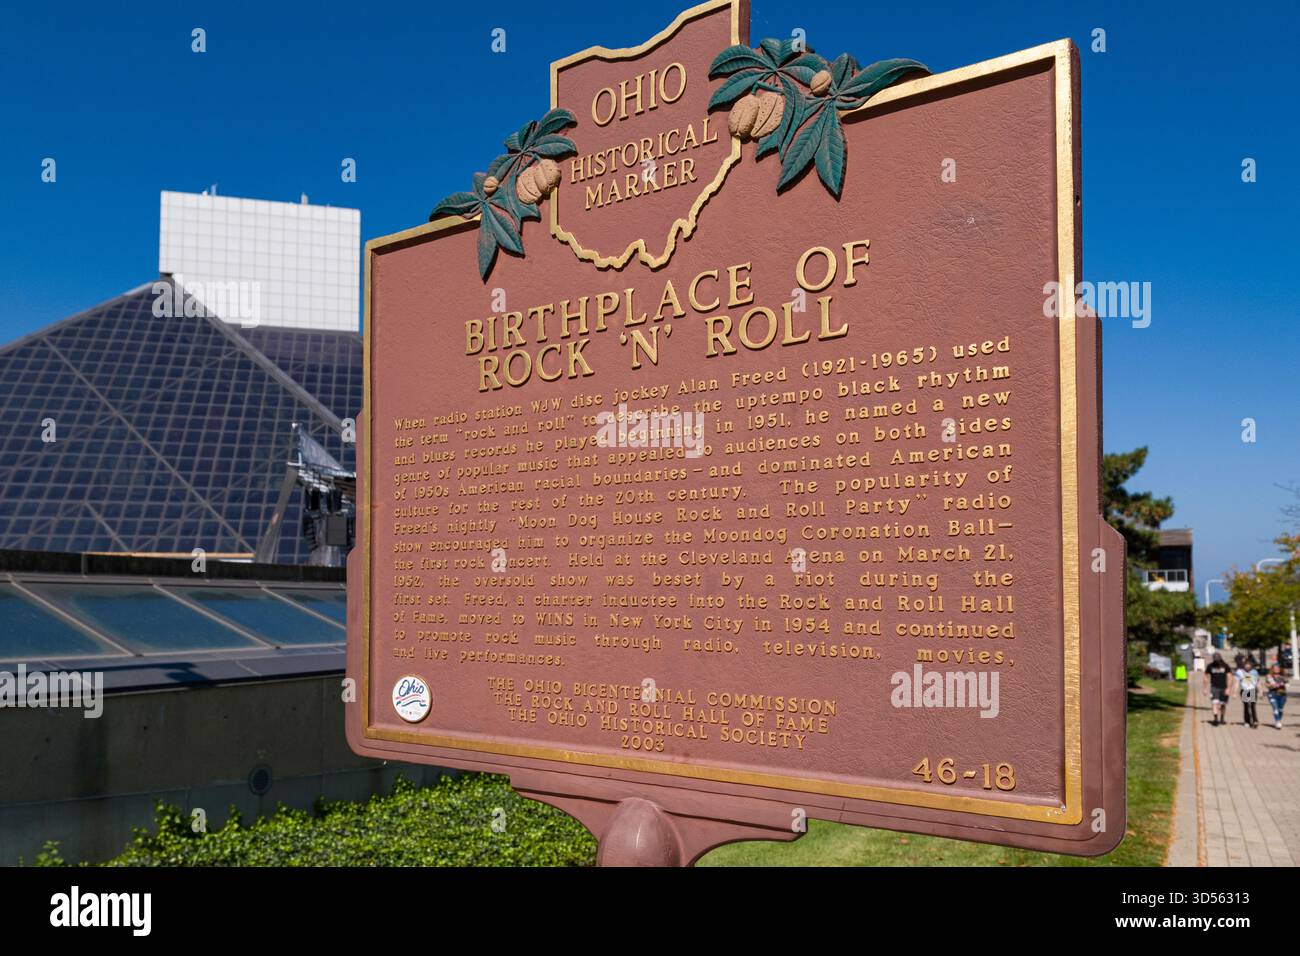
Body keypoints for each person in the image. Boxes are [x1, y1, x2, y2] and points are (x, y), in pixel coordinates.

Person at [1205, 653, 1232, 726]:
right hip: (1214, 687)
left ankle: (1222, 718)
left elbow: (1230, 677)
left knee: (1223, 704)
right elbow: (1206, 676)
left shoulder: (1225, 665)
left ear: (1220, 658)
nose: (1216, 661)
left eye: (1217, 659)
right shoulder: (1210, 666)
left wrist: (1228, 688)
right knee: (1214, 702)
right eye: (1215, 659)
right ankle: (1216, 719)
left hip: (1224, 687)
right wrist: (1205, 688)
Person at [1236, 659, 1260, 728]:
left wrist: (1261, 691)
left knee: (1252, 705)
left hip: (1252, 690)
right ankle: (1247, 721)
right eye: (1246, 665)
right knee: (1246, 706)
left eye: (1249, 665)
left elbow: (1258, 682)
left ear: (1251, 666)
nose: (1247, 666)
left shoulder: (1254, 672)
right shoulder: (1240, 672)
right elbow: (1236, 683)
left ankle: (1255, 720)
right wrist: (1235, 692)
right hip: (1245, 690)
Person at [1265, 664, 1288, 730]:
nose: (1276, 669)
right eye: (1275, 668)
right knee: (1275, 708)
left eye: (1278, 668)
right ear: (1272, 669)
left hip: (1282, 695)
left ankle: (1279, 720)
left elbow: (1287, 684)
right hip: (1272, 694)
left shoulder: (1283, 676)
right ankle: (1278, 721)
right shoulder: (1269, 676)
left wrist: (1283, 684)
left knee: (1280, 709)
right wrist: (1272, 686)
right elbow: (1267, 685)